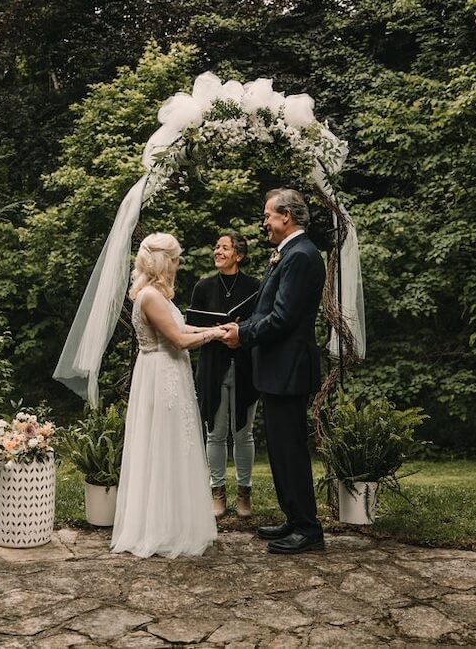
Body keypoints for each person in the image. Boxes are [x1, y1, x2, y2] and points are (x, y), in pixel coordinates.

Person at [221, 188, 326, 554]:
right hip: (278, 368)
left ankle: (308, 529)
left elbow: (283, 318)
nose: (263, 222)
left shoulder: (301, 256)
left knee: (290, 450)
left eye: (267, 215)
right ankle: (294, 519)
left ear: (286, 216)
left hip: (289, 368)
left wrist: (243, 335)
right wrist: (242, 326)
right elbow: (267, 310)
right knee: (281, 450)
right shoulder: (289, 254)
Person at [110, 232, 223, 558]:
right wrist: (216, 335)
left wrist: (215, 328)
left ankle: (172, 524)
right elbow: (179, 340)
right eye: (174, 259)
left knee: (173, 446)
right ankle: (161, 529)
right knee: (164, 446)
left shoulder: (153, 294)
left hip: (165, 371)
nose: (177, 264)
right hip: (162, 376)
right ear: (164, 261)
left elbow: (183, 329)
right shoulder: (151, 297)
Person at [190, 231, 260, 518]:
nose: (217, 251)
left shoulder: (255, 287)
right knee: (215, 433)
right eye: (217, 247)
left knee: (243, 433)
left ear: (238, 256)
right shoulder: (203, 287)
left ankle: (244, 493)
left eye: (224, 248)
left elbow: (262, 323)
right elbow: (191, 326)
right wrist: (215, 331)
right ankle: (217, 492)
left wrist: (241, 332)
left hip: (245, 366)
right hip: (212, 367)